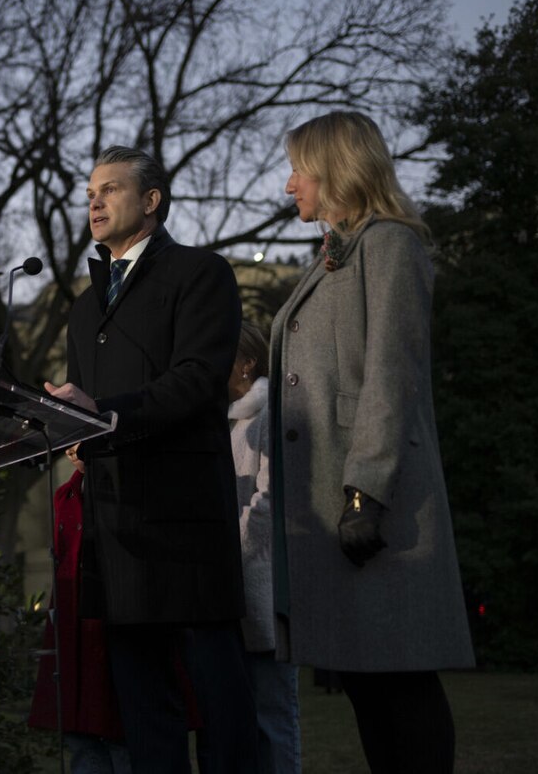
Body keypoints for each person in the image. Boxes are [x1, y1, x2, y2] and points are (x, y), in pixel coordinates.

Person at [270, 111, 475, 774]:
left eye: (299, 168)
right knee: (370, 684)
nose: (288, 184)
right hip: (338, 500)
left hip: (370, 504)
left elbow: (392, 372)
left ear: (335, 170)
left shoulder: (388, 243)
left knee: (399, 683)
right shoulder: (341, 251)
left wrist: (366, 490)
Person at [45, 145, 256, 773]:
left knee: (220, 703)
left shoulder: (199, 273)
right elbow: (81, 402)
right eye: (90, 193)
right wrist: (66, 427)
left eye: (110, 189)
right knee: (144, 711)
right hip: (117, 530)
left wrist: (105, 415)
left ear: (151, 201)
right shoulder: (84, 308)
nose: (95, 201)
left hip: (185, 523)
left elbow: (196, 380)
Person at [28, 446, 131, 774]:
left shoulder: (125, 487)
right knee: (81, 736)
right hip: (74, 621)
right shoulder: (66, 493)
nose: (74, 450)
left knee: (120, 731)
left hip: (114, 616)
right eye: (70, 443)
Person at [227, 321, 301, 772]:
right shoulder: (233, 417)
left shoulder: (270, 411)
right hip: (239, 590)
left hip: (263, 585)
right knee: (249, 720)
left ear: (248, 361)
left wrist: (231, 555)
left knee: (274, 717)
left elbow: (270, 499)